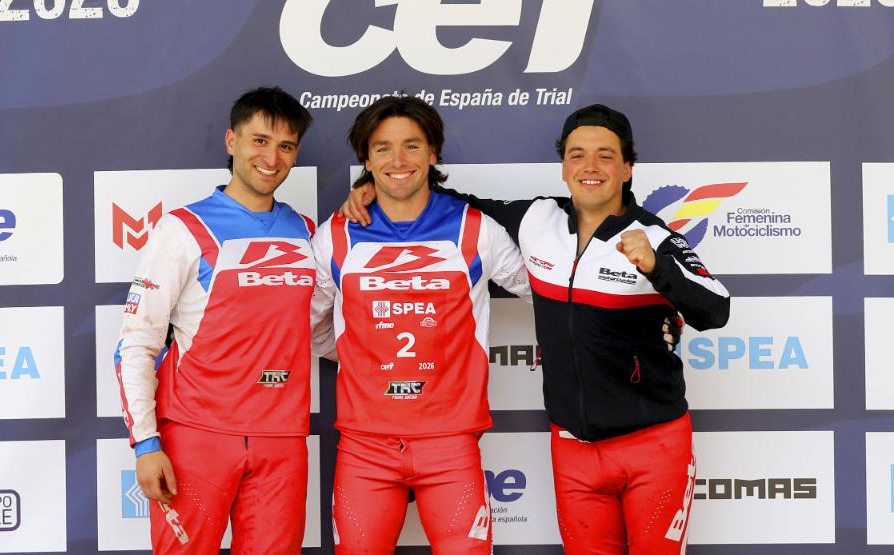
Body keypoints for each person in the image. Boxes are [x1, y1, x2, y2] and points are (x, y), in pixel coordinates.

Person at [341, 104, 730, 554]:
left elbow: (715, 309)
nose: (589, 166)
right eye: (577, 154)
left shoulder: (654, 236)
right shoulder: (537, 220)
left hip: (653, 443)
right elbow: (445, 201)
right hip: (572, 448)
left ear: (627, 168)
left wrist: (657, 268)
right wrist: (373, 185)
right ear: (563, 166)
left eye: (605, 156)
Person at [115, 86, 333, 554]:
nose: (271, 158)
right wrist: (146, 444)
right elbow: (136, 343)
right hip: (197, 435)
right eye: (260, 141)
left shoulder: (307, 232)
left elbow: (317, 332)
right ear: (231, 141)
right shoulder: (182, 228)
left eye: (286, 146)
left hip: (281, 440)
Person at [310, 95, 531, 554]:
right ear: (366, 159)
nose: (398, 160)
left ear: (433, 153)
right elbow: (312, 326)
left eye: (412, 146)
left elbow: (547, 290)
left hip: (451, 444)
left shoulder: (476, 228)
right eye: (383, 148)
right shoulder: (335, 234)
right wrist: (358, 354)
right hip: (365, 447)